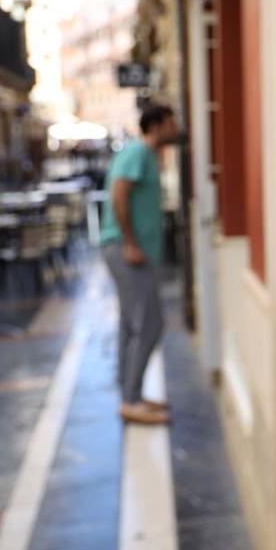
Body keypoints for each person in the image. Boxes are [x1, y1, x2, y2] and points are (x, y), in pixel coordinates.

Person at [101, 104, 180, 425]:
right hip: (128, 251)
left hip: (130, 250)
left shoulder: (145, 156)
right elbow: (119, 195)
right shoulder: (137, 153)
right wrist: (131, 243)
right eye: (172, 123)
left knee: (131, 324)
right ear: (158, 126)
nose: (177, 128)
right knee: (150, 324)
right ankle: (131, 399)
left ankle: (130, 395)